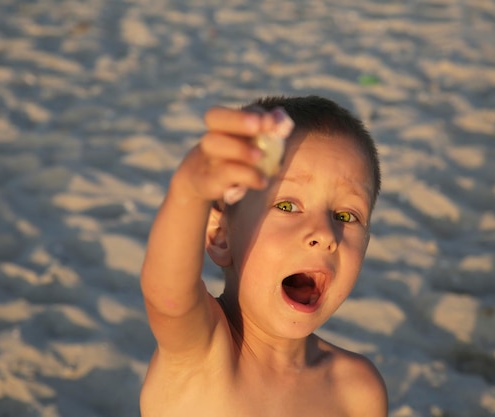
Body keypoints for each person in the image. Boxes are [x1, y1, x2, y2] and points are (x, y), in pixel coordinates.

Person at [139, 95, 388, 417]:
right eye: (287, 206)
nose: (326, 234)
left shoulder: (357, 389)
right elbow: (168, 297)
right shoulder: (202, 356)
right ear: (221, 236)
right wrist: (189, 190)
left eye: (346, 215)